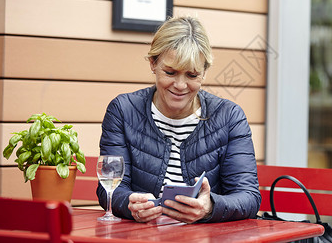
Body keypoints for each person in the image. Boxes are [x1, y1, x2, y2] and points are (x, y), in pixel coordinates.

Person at [96, 16, 261, 224]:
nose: (180, 85)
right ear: (153, 63)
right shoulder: (123, 110)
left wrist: (210, 207)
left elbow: (248, 197)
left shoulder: (229, 117)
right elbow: (110, 190)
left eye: (192, 75)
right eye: (170, 72)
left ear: (205, 72)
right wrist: (129, 203)